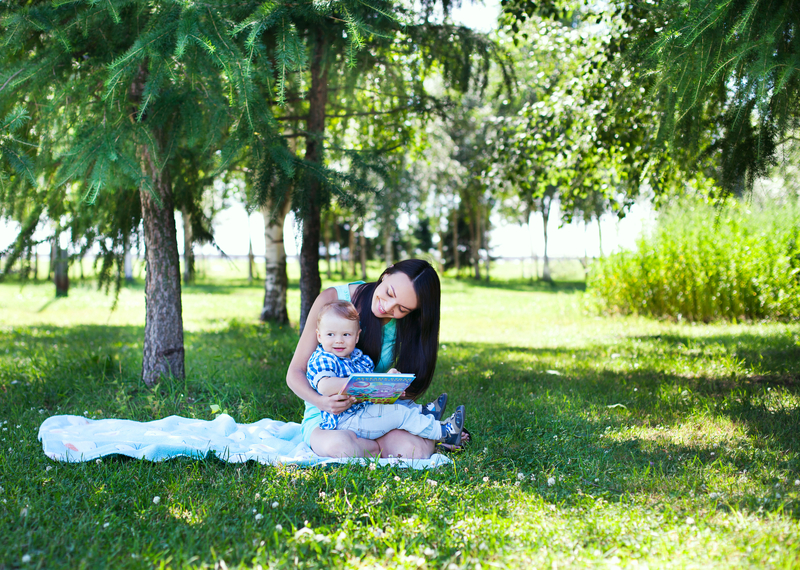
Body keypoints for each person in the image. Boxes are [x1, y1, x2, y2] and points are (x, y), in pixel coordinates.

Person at [286, 259, 452, 459]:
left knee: (416, 450)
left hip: (372, 415)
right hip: (326, 418)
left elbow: (384, 390)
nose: (388, 307)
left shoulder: (407, 324)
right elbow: (295, 372)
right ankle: (385, 446)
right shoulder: (332, 300)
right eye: (389, 293)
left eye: (402, 309)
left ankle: (430, 433)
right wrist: (321, 402)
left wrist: (391, 386)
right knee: (339, 447)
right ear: (387, 273)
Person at [307, 300, 465, 444]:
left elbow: (371, 390)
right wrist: (361, 383)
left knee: (398, 404)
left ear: (356, 337)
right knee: (399, 414)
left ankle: (424, 412)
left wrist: (387, 382)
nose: (339, 340)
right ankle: (444, 433)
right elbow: (325, 387)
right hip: (346, 420)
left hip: (364, 411)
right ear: (319, 336)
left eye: (346, 334)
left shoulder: (358, 358)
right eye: (330, 334)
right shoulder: (323, 358)